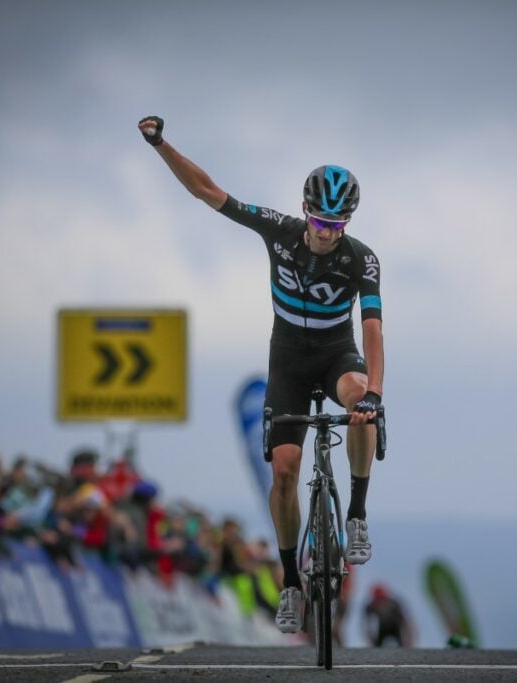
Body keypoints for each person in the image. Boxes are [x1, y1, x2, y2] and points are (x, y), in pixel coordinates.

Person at [138, 115, 385, 634]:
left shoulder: (363, 260)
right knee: (285, 472)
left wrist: (375, 397)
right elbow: (208, 192)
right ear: (305, 211)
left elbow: (373, 332)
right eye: (320, 221)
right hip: (288, 362)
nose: (325, 233)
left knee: (361, 404)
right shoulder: (278, 228)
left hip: (337, 355)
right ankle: (292, 582)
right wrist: (161, 144)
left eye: (336, 226)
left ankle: (356, 513)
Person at [364, 583, 413, 647]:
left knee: (402, 646)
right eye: (378, 600)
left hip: (396, 626)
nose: (380, 603)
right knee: (377, 647)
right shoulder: (370, 607)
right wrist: (370, 641)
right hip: (382, 628)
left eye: (382, 599)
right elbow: (367, 626)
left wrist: (409, 640)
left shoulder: (394, 604)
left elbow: (406, 623)